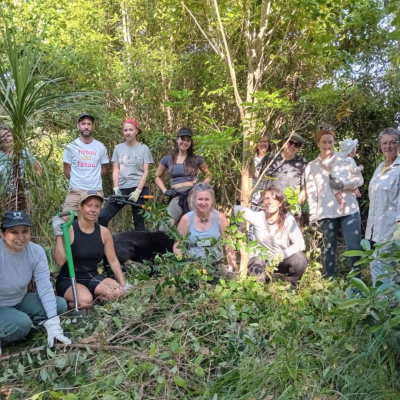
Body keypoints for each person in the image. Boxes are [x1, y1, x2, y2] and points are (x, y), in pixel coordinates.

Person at [0, 210, 70, 355]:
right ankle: (17, 327)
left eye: (25, 231)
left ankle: (22, 326)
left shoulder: (36, 252)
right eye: (14, 232)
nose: (20, 237)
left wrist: (54, 324)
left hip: (19, 300)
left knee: (60, 304)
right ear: (2, 234)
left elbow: (44, 288)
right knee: (22, 323)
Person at [53, 191, 131, 309]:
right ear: (80, 206)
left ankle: (91, 297)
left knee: (118, 292)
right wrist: (59, 234)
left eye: (97, 206)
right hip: (70, 280)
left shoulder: (104, 232)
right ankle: (78, 301)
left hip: (93, 277)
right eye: (89, 205)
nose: (93, 210)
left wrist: (124, 284)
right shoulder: (70, 229)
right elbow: (59, 261)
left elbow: (113, 260)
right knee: (85, 301)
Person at [305, 129, 363, 278]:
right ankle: (330, 282)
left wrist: (343, 184)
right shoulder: (311, 167)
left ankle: (358, 285)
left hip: (349, 209)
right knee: (329, 249)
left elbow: (358, 180)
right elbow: (312, 194)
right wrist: (313, 216)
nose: (327, 145)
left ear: (334, 143)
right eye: (324, 141)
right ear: (318, 143)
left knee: (354, 247)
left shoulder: (344, 158)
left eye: (330, 141)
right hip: (326, 212)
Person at [234, 186, 307, 289]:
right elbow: (236, 209)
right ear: (263, 202)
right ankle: (261, 290)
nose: (270, 202)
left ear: (280, 203)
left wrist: (281, 254)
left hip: (280, 259)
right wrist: (240, 225)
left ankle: (290, 287)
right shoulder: (258, 217)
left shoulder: (288, 218)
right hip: (260, 259)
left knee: (300, 259)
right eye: (267, 198)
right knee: (257, 272)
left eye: (274, 199)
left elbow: (300, 244)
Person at [98, 119, 153, 230]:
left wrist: (138, 190)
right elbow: (116, 169)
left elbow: (146, 171)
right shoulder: (118, 148)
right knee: (102, 217)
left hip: (138, 189)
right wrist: (116, 188)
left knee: (139, 223)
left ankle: (140, 247)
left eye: (131, 130)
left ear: (136, 131)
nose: (128, 132)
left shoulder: (144, 148)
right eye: (125, 130)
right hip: (122, 188)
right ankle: (105, 244)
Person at [155, 127, 212, 229]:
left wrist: (202, 185)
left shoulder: (196, 159)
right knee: (164, 228)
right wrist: (165, 191)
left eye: (188, 140)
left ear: (190, 142)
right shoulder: (167, 159)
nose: (184, 142)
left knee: (200, 226)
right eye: (182, 139)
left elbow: (208, 174)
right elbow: (156, 176)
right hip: (177, 196)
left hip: (193, 196)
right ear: (177, 140)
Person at [173, 183, 235, 275]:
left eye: (206, 199)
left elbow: (229, 245)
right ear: (194, 200)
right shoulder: (186, 219)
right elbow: (178, 245)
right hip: (192, 267)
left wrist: (231, 268)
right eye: (200, 199)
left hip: (216, 266)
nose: (203, 203)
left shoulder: (220, 218)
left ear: (212, 200)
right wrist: (181, 267)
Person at [365, 127, 400, 286]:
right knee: (391, 269)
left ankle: (382, 305)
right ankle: (392, 305)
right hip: (375, 228)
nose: (388, 147)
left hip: (392, 229)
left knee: (378, 265)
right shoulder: (380, 167)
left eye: (392, 142)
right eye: (385, 143)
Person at [62, 113, 109, 219]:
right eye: (83, 124)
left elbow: (104, 169)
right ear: (78, 126)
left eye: (89, 124)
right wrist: (79, 179)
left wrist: (91, 178)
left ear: (93, 126)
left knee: (93, 222)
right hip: (76, 191)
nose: (86, 126)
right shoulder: (70, 147)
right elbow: (66, 170)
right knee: (66, 218)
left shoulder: (100, 147)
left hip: (95, 191)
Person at [259, 132, 307, 204]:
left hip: (289, 207)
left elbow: (305, 189)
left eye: (297, 144)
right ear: (284, 142)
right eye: (290, 142)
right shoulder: (271, 157)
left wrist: (295, 204)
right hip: (268, 205)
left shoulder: (302, 162)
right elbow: (256, 176)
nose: (293, 146)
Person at [0, 125, 42, 194]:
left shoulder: (22, 153)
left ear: (13, 137)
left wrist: (30, 182)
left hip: (23, 197)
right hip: (4, 198)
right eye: (2, 136)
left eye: (8, 136)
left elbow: (39, 168)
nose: (6, 138)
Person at [331, 139, 364, 210]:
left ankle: (341, 200)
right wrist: (360, 167)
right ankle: (355, 191)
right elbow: (354, 170)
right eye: (355, 150)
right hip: (346, 180)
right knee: (352, 184)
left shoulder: (338, 158)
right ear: (351, 152)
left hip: (337, 181)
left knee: (335, 190)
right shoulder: (350, 160)